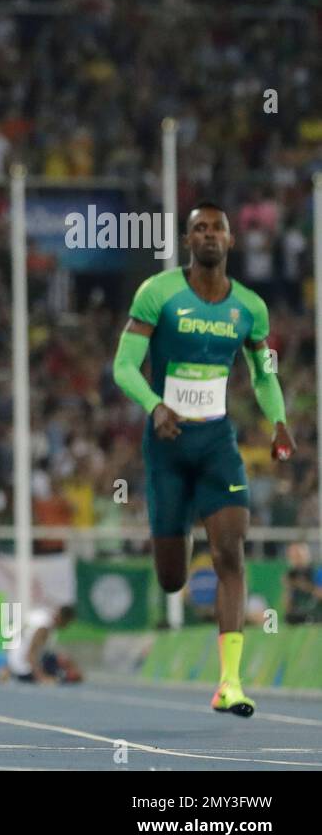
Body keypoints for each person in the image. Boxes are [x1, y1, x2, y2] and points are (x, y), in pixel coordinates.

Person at [112, 201, 295, 717]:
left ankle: (229, 684)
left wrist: (279, 420)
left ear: (231, 241)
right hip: (168, 446)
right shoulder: (159, 293)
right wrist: (154, 406)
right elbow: (123, 366)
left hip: (217, 444)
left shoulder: (250, 308)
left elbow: (263, 374)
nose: (209, 235)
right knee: (172, 577)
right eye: (199, 229)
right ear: (188, 241)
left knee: (230, 555)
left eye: (218, 228)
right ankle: (175, 530)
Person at [1, 606, 81, 684]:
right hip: (25, 671)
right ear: (63, 619)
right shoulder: (44, 629)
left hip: (16, 664)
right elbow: (30, 655)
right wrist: (42, 678)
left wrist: (8, 667)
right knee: (63, 667)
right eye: (68, 623)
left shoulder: (42, 617)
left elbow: (17, 640)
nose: (67, 627)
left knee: (59, 658)